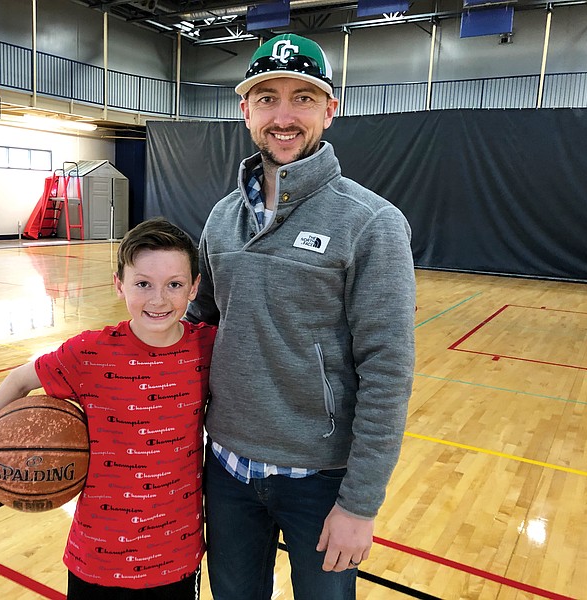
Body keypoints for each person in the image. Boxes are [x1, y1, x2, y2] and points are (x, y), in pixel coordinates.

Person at [185, 33, 416, 600]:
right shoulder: (221, 218)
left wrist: (360, 503)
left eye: (302, 98)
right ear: (245, 110)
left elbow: (387, 371)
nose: (283, 116)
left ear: (330, 110)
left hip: (320, 482)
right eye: (267, 98)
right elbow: (200, 328)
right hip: (228, 471)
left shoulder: (371, 223)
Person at [0, 217, 215, 600]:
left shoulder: (207, 348)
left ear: (193, 288)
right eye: (143, 283)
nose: (158, 299)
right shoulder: (90, 353)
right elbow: (20, 381)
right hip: (97, 555)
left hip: (176, 556)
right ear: (119, 284)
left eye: (174, 285)